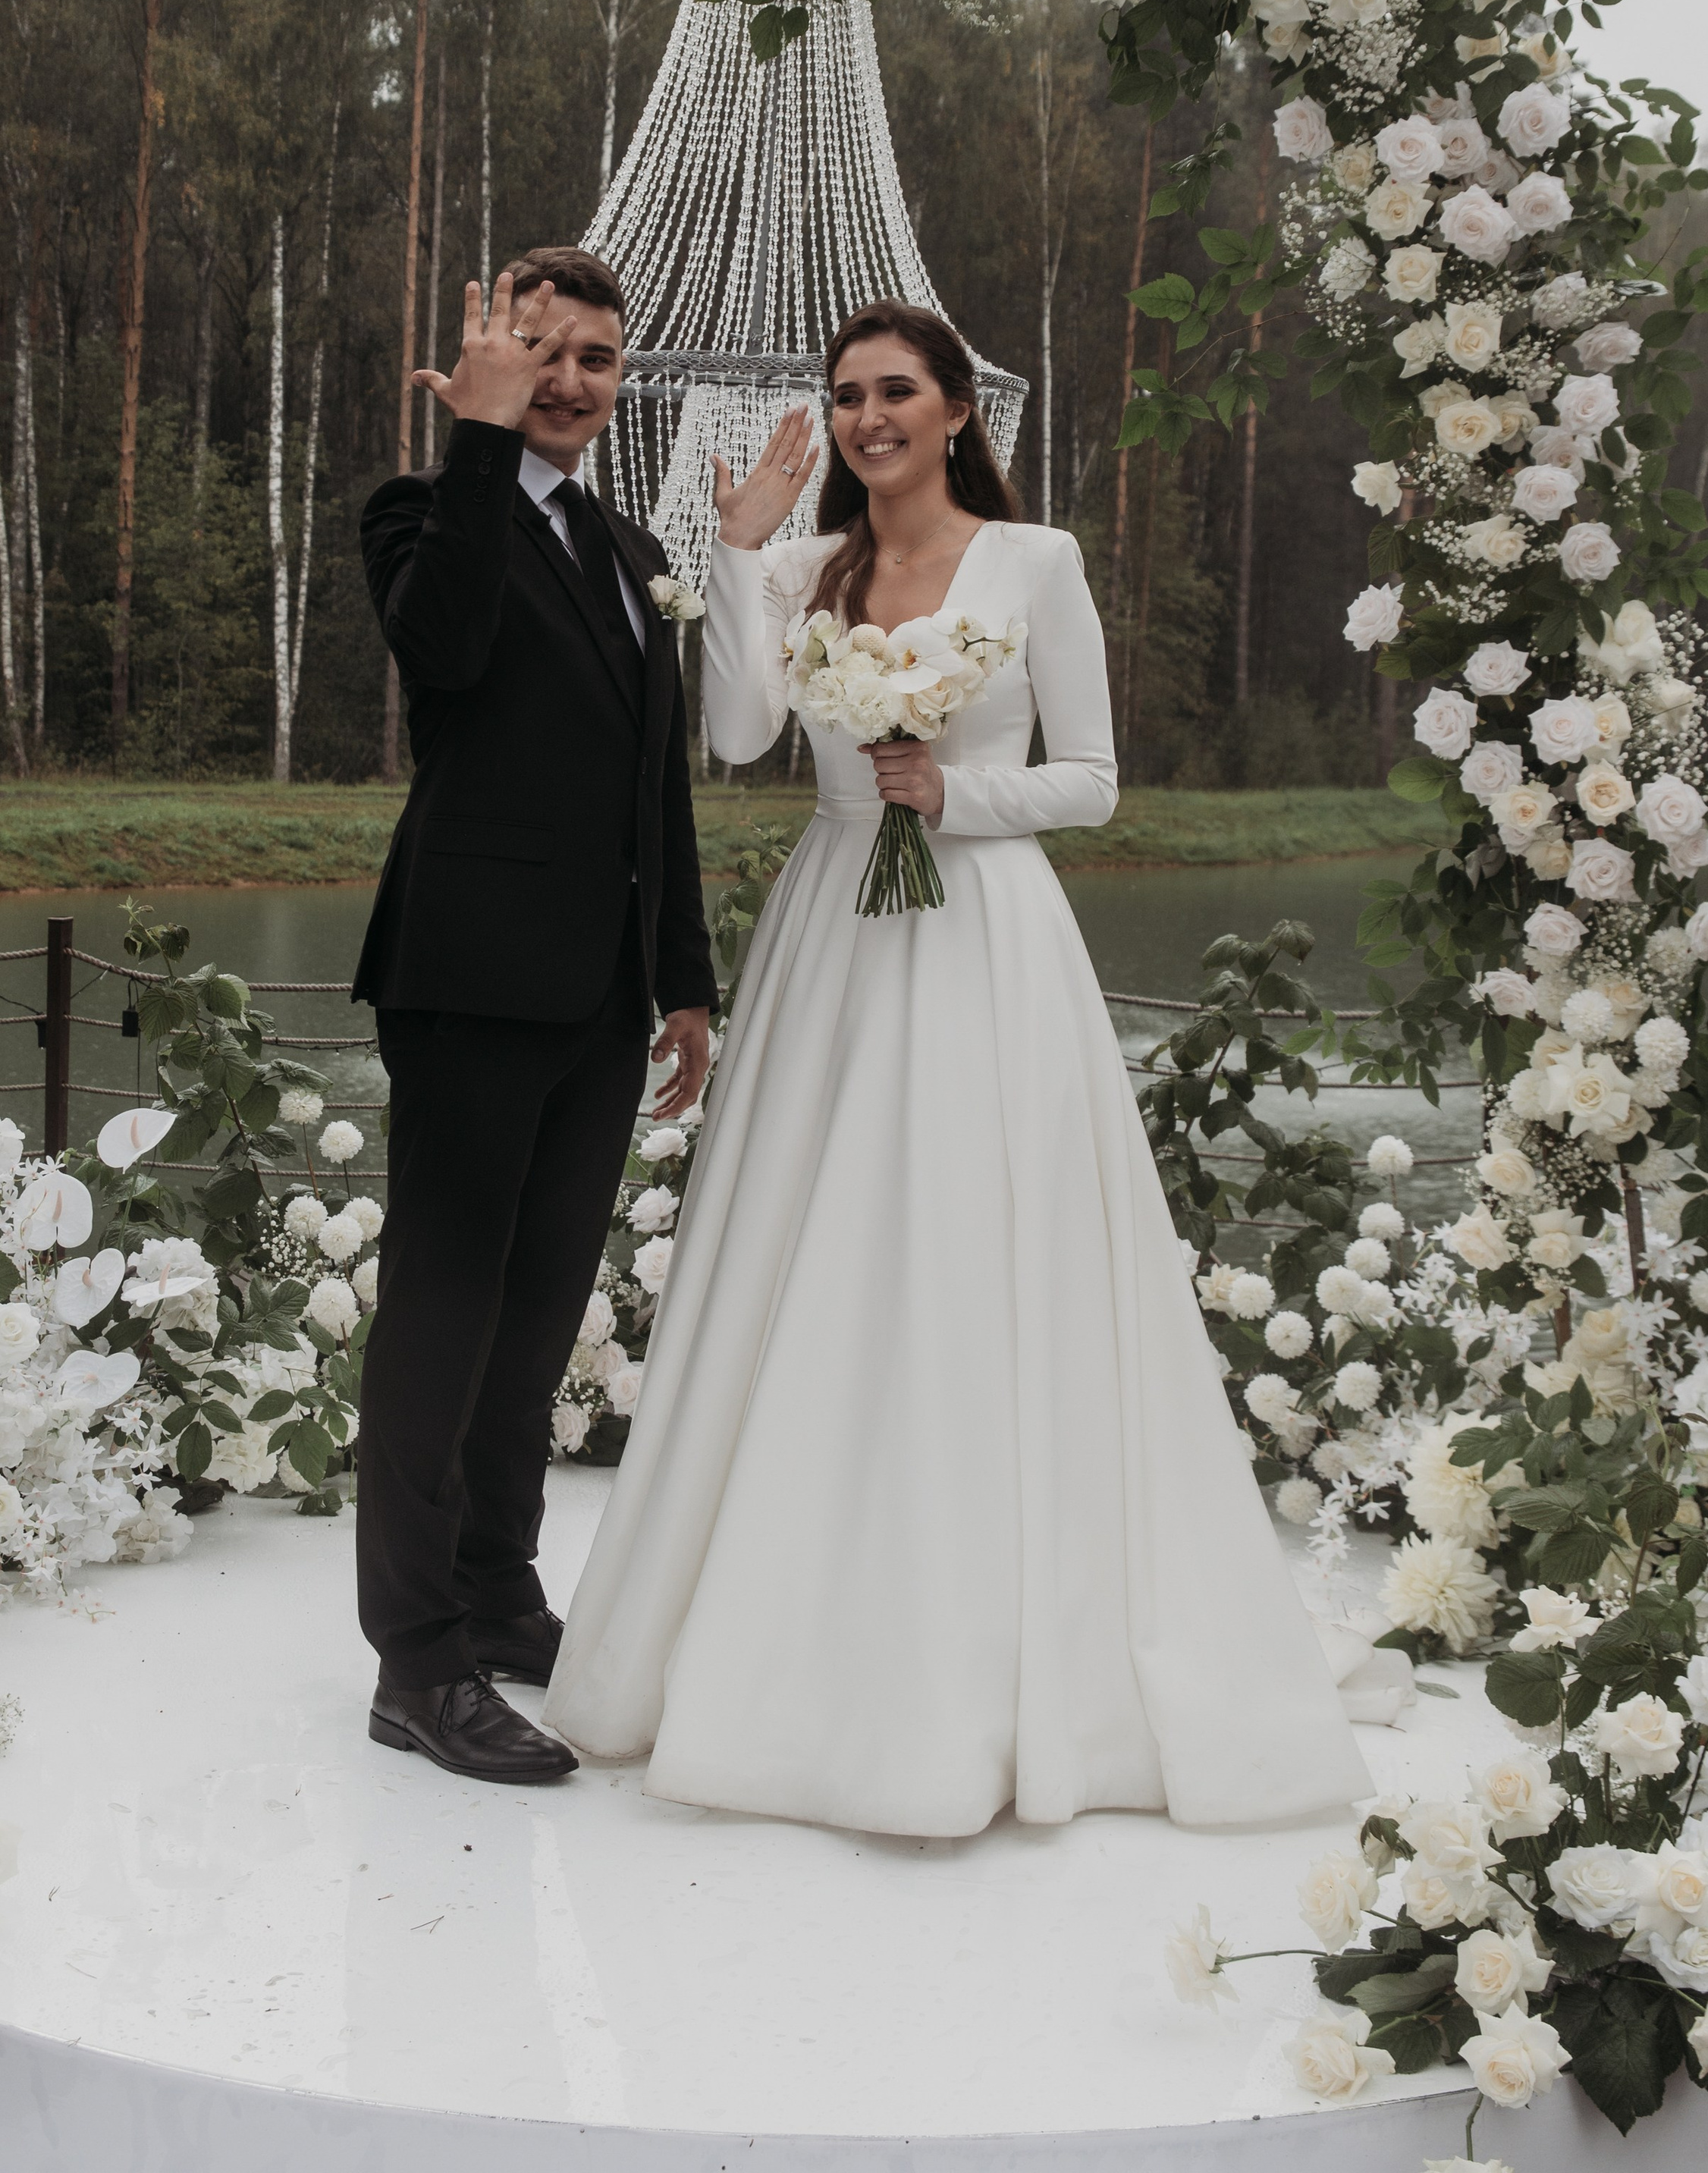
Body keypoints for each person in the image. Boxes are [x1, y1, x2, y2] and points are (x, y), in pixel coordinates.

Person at [543, 298, 1367, 1836]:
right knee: (816, 1259)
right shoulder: (801, 566)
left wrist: (955, 791)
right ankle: (775, 1635)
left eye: (893, 391)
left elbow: (1096, 781)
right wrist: (737, 549)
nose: (867, 419)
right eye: (846, 395)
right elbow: (730, 736)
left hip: (982, 935)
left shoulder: (1031, 562)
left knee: (981, 1256)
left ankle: (994, 1658)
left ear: (951, 410)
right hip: (832, 941)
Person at [350, 249, 716, 1787]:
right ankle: (413, 1660)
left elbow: (657, 783)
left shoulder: (636, 554)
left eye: (597, 360)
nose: (572, 380)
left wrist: (685, 974)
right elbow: (444, 657)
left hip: (598, 994)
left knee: (536, 1318)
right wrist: (480, 445)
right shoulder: (423, 512)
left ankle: (499, 1592)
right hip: (466, 978)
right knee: (441, 1312)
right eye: (543, 351)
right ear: (489, 353)